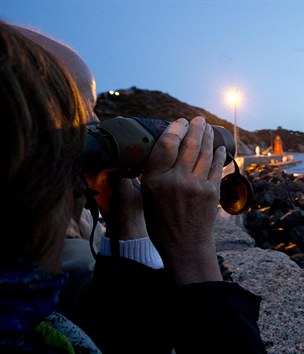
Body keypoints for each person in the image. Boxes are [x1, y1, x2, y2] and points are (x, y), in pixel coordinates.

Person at [0, 20, 267, 354]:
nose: (96, 128)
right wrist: (194, 257)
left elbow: (123, 345)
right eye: (81, 123)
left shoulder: (26, 313)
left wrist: (128, 223)